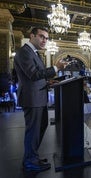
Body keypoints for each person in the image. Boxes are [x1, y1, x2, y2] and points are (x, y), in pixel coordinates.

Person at [14, 27, 67, 172]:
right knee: (33, 130)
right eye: (42, 37)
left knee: (40, 127)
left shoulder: (34, 53)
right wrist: (56, 68)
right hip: (32, 98)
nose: (45, 40)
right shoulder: (24, 52)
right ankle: (30, 162)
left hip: (39, 96)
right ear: (32, 36)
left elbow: (38, 77)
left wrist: (48, 82)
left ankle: (32, 156)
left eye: (47, 38)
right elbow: (33, 74)